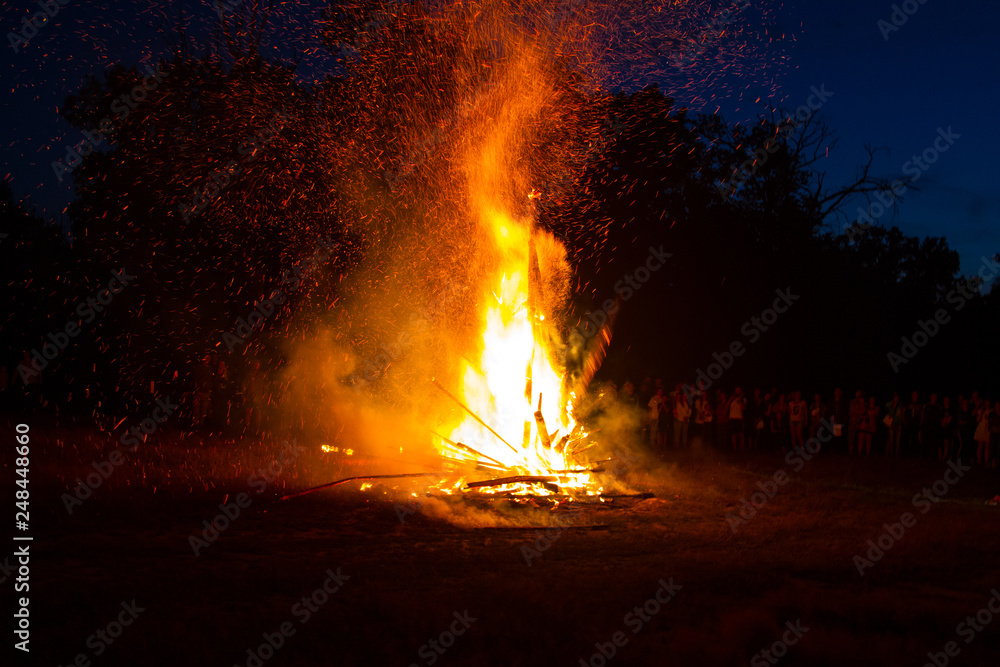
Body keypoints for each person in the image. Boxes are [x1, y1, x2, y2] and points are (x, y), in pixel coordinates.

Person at [921, 394, 943, 459]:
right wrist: (922, 424)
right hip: (927, 426)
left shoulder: (938, 406)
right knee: (926, 441)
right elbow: (923, 414)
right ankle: (924, 455)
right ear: (930, 397)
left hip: (935, 427)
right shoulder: (927, 406)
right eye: (933, 397)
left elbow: (940, 416)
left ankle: (932, 455)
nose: (934, 398)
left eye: (935, 397)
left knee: (933, 441)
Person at [827, 388, 848, 452]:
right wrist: (831, 418)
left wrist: (843, 420)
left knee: (839, 435)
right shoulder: (831, 401)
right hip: (832, 420)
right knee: (832, 435)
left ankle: (839, 450)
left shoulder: (843, 401)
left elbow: (844, 412)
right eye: (836, 391)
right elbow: (829, 411)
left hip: (840, 420)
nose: (837, 393)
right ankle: (833, 449)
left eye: (839, 391)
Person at [903, 391, 922, 457]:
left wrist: (920, 422)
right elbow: (903, 411)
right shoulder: (908, 402)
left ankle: (914, 453)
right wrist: (904, 420)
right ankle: (906, 453)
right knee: (907, 438)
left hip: (916, 423)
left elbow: (922, 413)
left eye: (916, 394)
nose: (915, 395)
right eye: (914, 394)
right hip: (909, 423)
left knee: (915, 438)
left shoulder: (919, 403)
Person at [975, 400, 992, 465]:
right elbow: (977, 420)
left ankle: (986, 461)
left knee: (987, 447)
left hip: (987, 429)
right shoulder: (981, 411)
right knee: (980, 446)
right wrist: (981, 412)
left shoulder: (992, 411)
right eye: (986, 403)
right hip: (981, 429)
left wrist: (988, 419)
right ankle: (979, 461)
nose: (987, 404)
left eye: (988, 403)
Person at [939, 396, 956, 462]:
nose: (945, 401)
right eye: (944, 400)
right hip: (941, 429)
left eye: (947, 400)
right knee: (940, 444)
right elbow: (940, 419)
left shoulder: (951, 410)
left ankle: (944, 457)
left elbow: (949, 420)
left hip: (947, 429)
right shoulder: (942, 409)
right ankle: (940, 458)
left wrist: (945, 420)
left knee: (946, 443)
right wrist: (944, 420)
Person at [849, 390, 866, 455]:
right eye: (857, 393)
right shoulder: (852, 402)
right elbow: (852, 411)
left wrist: (857, 413)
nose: (858, 394)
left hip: (861, 421)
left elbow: (863, 411)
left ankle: (859, 451)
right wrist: (858, 413)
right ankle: (851, 451)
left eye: (860, 393)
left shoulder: (863, 402)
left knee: (860, 437)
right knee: (851, 436)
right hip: (853, 421)